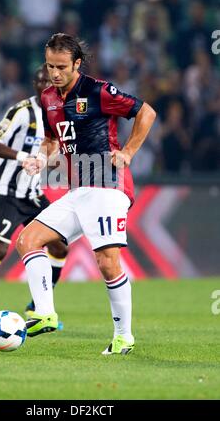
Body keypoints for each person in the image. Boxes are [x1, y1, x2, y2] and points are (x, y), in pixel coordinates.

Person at [16, 33, 156, 355]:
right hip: (77, 190)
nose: (54, 73)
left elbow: (146, 112)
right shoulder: (49, 98)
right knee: (28, 240)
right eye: (50, 66)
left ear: (77, 63)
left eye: (61, 66)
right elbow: (53, 140)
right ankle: (45, 313)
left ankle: (124, 337)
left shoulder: (97, 90)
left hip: (108, 184)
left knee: (107, 263)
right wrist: (42, 158)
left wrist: (129, 152)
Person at [0, 65, 68, 331]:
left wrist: (52, 163)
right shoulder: (21, 112)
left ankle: (37, 308)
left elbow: (54, 155)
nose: (45, 85)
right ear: (34, 84)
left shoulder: (58, 114)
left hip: (31, 194)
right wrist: (23, 157)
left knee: (60, 247)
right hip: (5, 191)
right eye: (40, 80)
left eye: (50, 81)